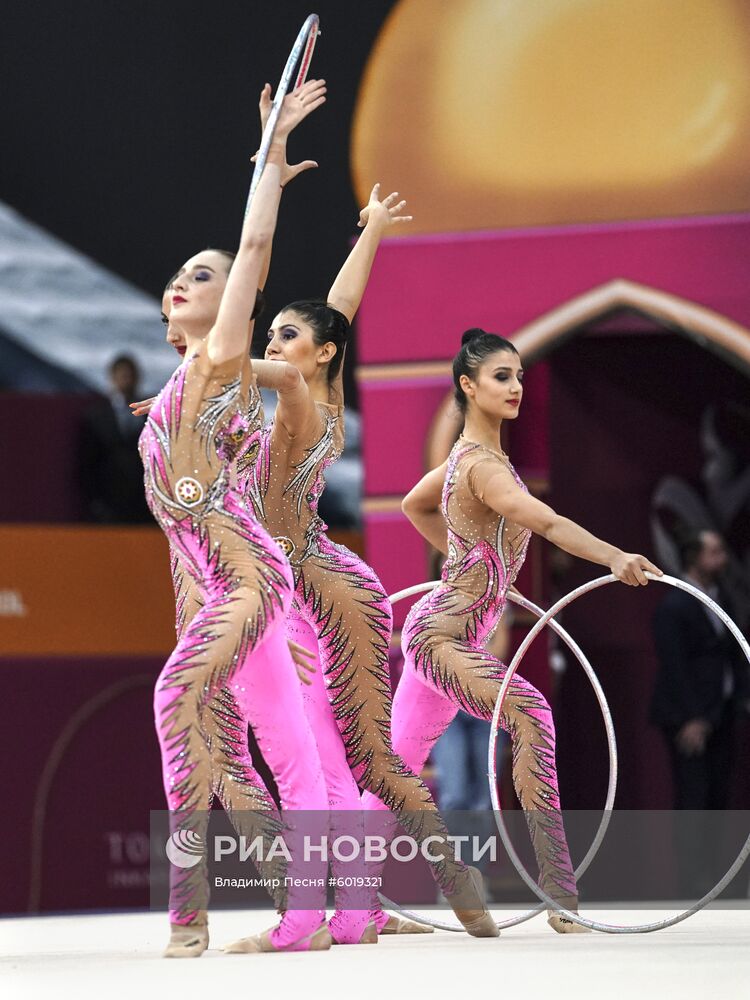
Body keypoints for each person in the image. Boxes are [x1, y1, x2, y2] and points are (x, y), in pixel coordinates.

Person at [139, 79, 334, 957]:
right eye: (180, 276)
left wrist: (267, 165)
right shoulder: (182, 392)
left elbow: (255, 242)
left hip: (250, 578)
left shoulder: (222, 363)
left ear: (234, 312)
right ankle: (314, 918)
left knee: (177, 697)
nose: (187, 282)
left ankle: (187, 920)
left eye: (204, 276)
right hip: (223, 586)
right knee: (274, 752)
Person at [386, 328, 662, 932]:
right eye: (501, 378)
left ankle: (352, 905)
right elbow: (547, 521)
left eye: (517, 376)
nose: (515, 388)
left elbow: (414, 504)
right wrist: (616, 557)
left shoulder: (468, 459)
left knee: (395, 768)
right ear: (468, 386)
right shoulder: (484, 468)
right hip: (441, 640)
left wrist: (475, 567)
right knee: (531, 712)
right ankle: (561, 895)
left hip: (446, 630)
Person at [650, 529, 747, 895]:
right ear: (694, 558)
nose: (722, 560)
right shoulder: (675, 605)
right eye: (715, 553)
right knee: (694, 795)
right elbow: (674, 666)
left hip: (720, 713)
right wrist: (692, 717)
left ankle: (716, 876)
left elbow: (731, 655)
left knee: (719, 795)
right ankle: (692, 881)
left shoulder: (723, 598)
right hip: (687, 716)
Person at [79, 354, 151, 522]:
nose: (126, 380)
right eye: (122, 375)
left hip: (144, 503)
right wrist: (96, 502)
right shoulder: (97, 417)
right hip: (109, 503)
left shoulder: (152, 415)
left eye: (130, 375)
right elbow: (87, 463)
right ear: (112, 378)